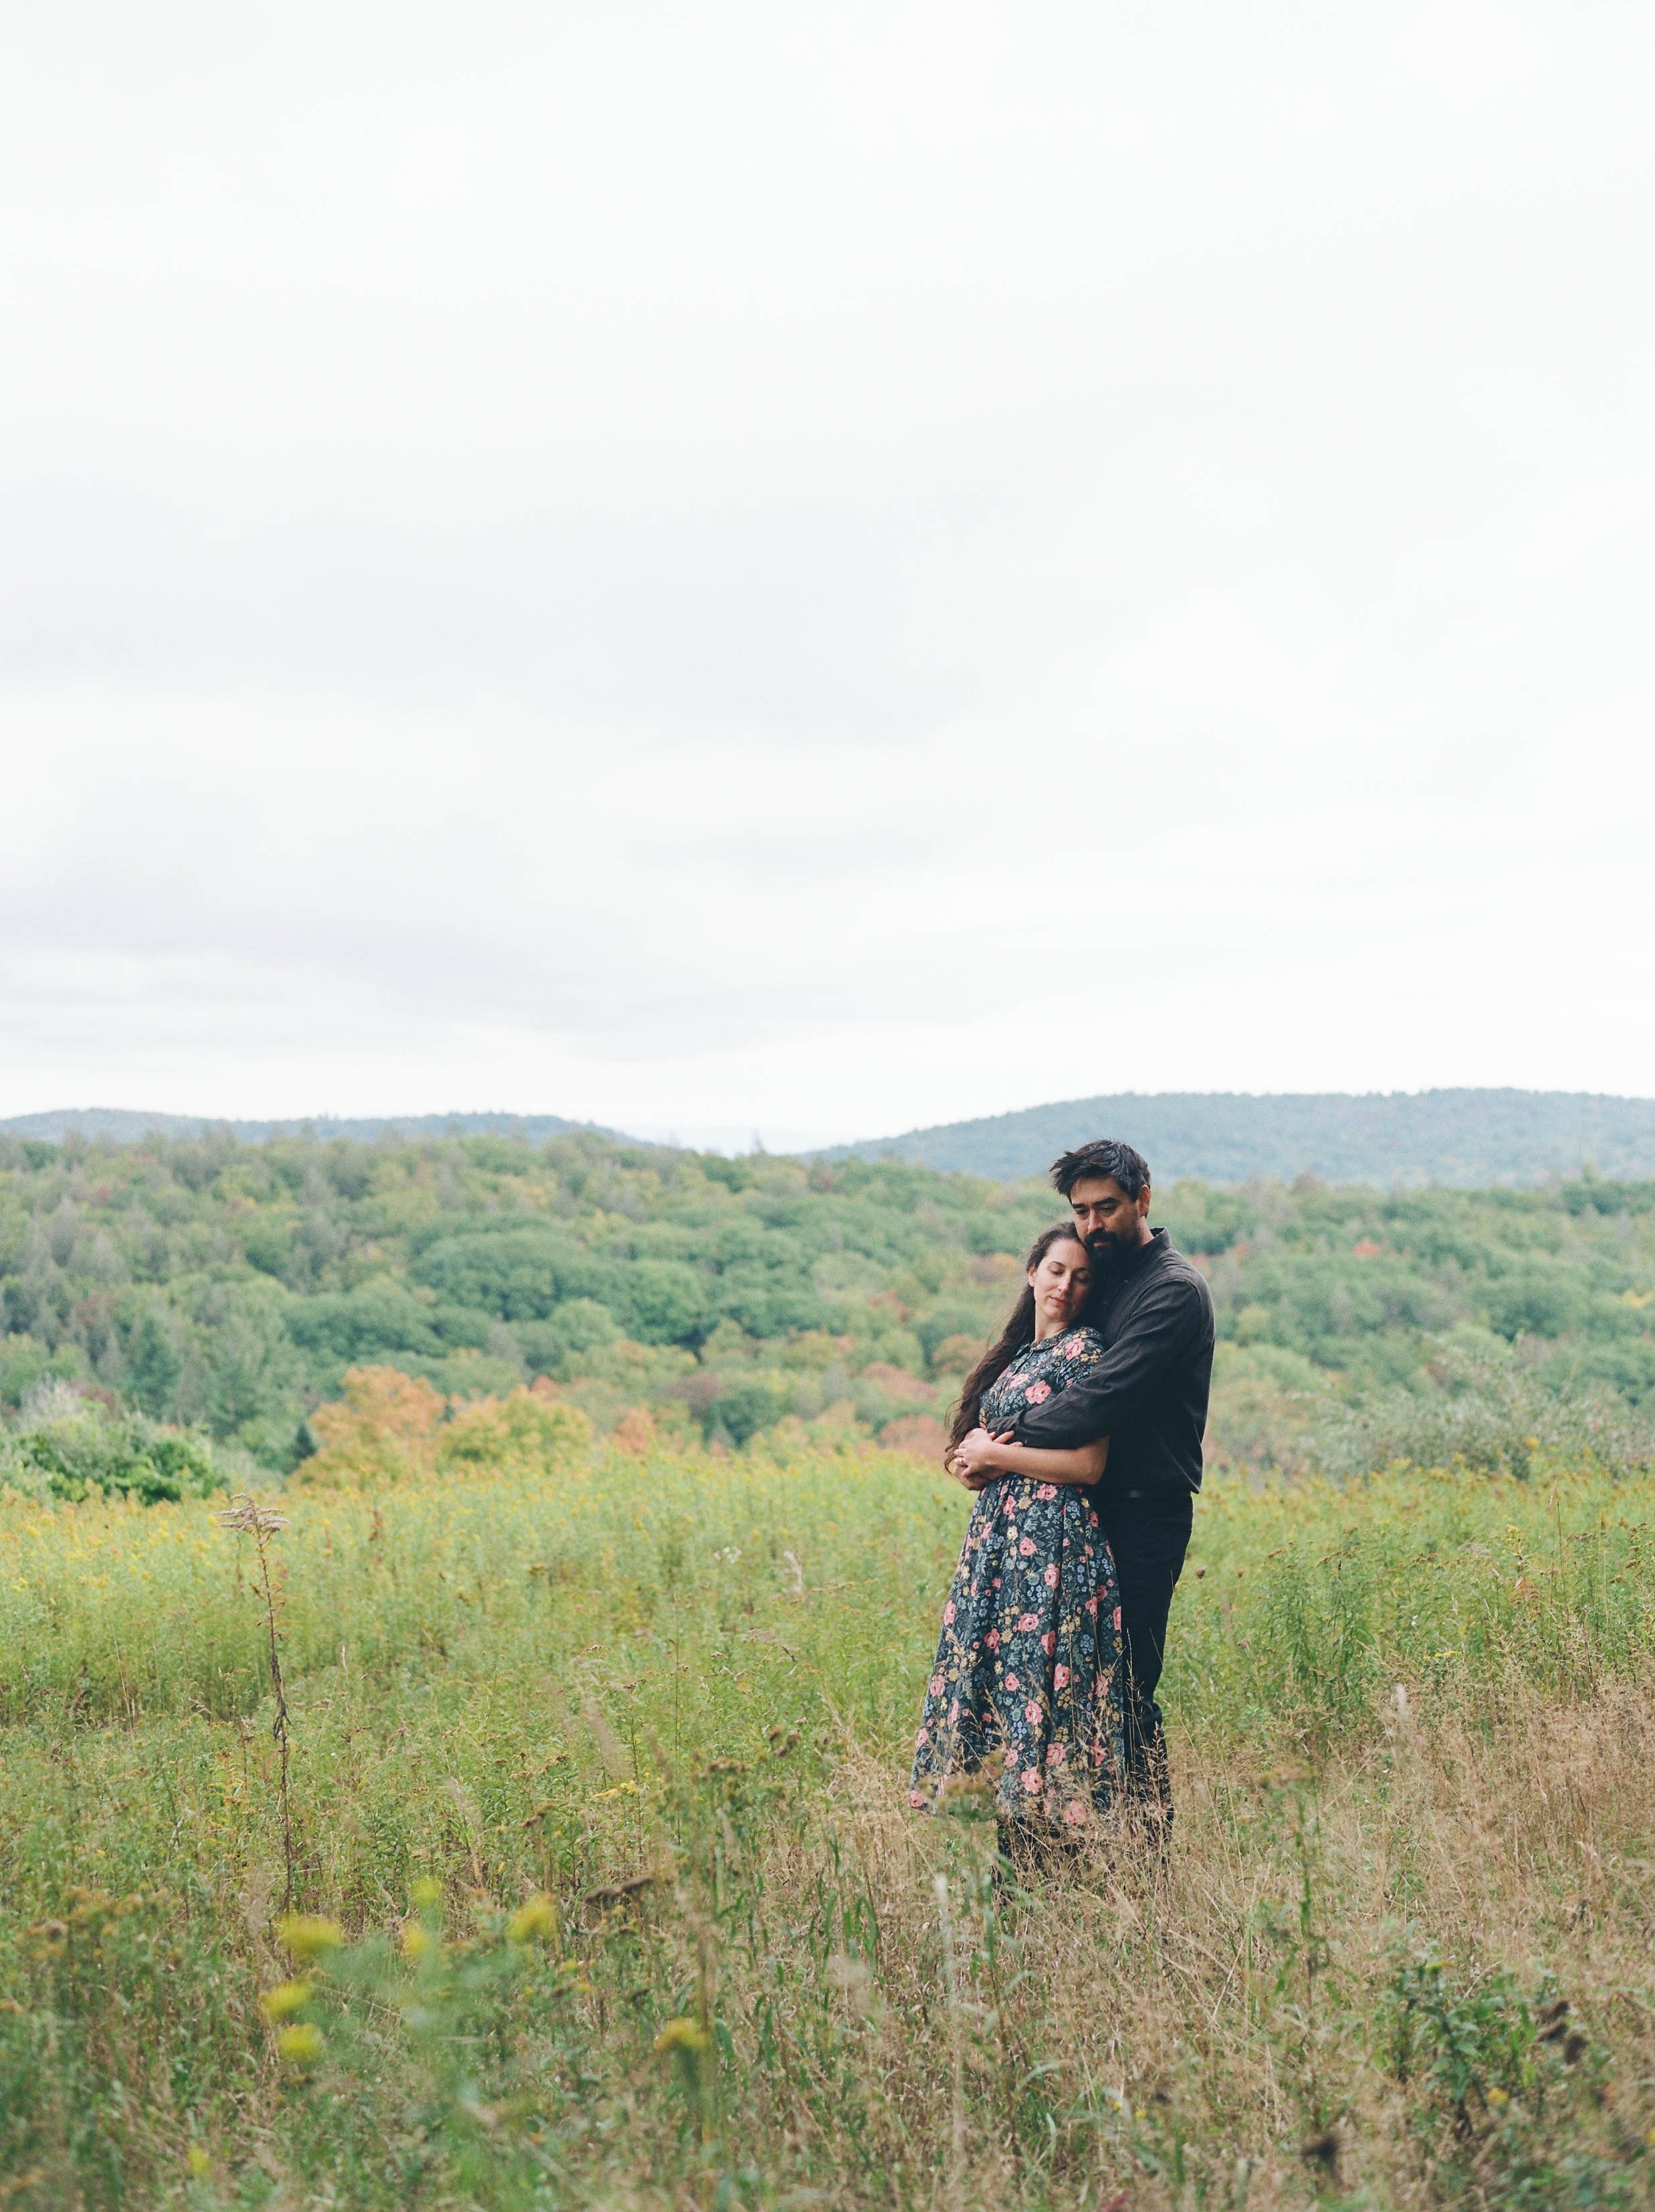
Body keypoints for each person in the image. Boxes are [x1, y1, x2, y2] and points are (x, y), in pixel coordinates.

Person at [969, 1139, 1213, 1831]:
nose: (1094, 1224)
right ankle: (1053, 1854)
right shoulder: (1099, 1273)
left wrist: (1000, 1445)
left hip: (1144, 1518)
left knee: (1128, 1692)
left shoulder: (1172, 1289)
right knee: (1052, 1688)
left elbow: (1103, 1396)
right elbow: (1034, 1352)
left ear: (1144, 1198)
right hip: (1076, 1515)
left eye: (1107, 1207)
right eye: (1081, 1211)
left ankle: (1148, 1861)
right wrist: (977, 1443)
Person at [909, 1225, 1123, 1860]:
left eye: (1082, 1277)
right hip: (1000, 1545)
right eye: (1056, 1270)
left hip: (1052, 1545)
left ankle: (1044, 1861)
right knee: (1002, 1688)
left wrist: (998, 1458)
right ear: (1031, 1271)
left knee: (1040, 1687)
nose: (1066, 1286)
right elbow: (973, 1451)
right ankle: (1013, 1862)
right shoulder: (1015, 1357)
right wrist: (972, 1463)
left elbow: (1088, 1466)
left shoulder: (1086, 1353)